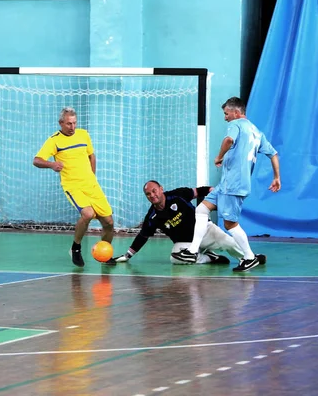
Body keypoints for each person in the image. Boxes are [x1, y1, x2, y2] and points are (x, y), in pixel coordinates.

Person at [171, 97, 280, 272]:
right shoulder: (257, 132)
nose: (225, 117)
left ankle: (249, 258)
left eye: (226, 113)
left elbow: (229, 140)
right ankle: (192, 251)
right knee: (201, 209)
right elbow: (273, 154)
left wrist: (219, 156)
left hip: (234, 184)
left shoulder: (236, 124)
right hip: (226, 184)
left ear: (236, 112)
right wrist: (276, 177)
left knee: (230, 224)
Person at [33, 107, 115, 267]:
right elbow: (36, 160)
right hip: (73, 186)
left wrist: (92, 176)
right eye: (69, 124)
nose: (72, 127)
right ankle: (76, 248)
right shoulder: (54, 141)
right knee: (88, 214)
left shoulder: (83, 134)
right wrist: (51, 164)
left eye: (74, 123)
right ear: (61, 123)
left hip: (91, 185)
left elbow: (91, 155)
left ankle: (104, 254)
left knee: (109, 222)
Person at [114, 180, 264, 265]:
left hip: (205, 231)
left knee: (229, 243)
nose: (152, 195)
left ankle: (250, 256)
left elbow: (199, 191)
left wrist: (214, 190)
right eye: (148, 194)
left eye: (154, 191)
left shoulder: (177, 195)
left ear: (161, 188)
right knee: (175, 258)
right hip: (185, 243)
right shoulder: (152, 216)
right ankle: (210, 258)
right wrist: (127, 256)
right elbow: (143, 236)